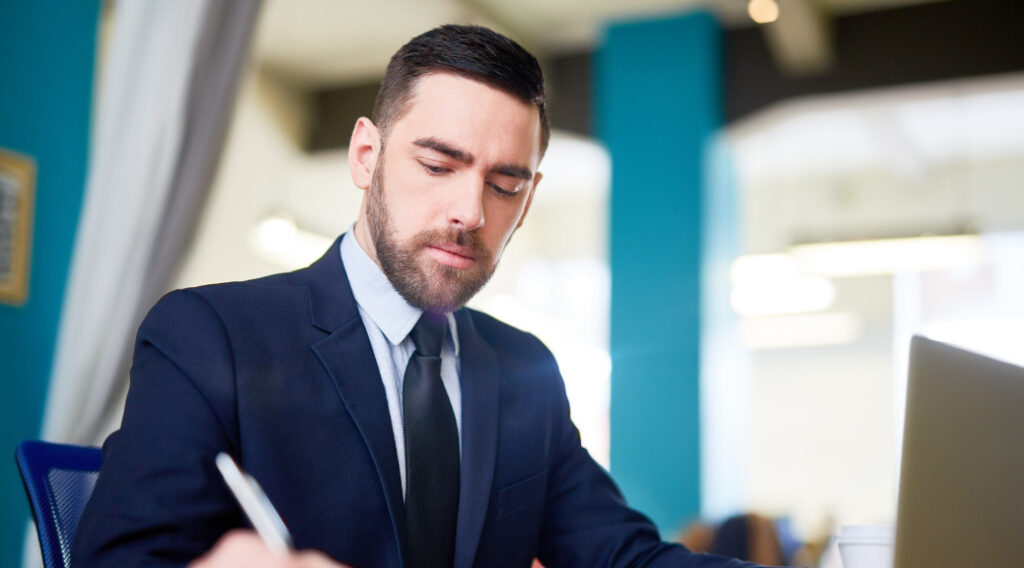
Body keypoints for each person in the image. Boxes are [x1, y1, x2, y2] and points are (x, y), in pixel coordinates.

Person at [73, 24, 768, 568]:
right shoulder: (211, 336)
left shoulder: (525, 372)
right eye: (438, 165)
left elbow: (625, 558)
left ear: (528, 202)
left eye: (504, 186)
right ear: (366, 157)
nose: (470, 211)